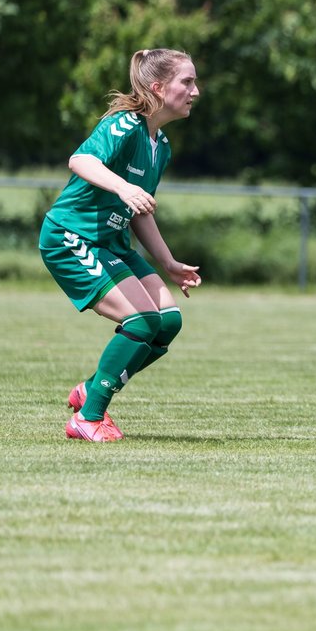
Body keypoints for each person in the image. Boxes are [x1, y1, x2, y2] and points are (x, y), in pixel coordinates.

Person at [39, 49, 203, 441]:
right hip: (72, 237)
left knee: (167, 322)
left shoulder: (160, 146)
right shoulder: (125, 124)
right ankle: (88, 417)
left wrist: (168, 262)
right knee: (142, 321)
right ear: (158, 87)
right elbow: (81, 161)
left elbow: (140, 211)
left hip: (110, 242)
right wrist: (123, 186)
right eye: (188, 82)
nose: (195, 91)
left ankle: (90, 389)